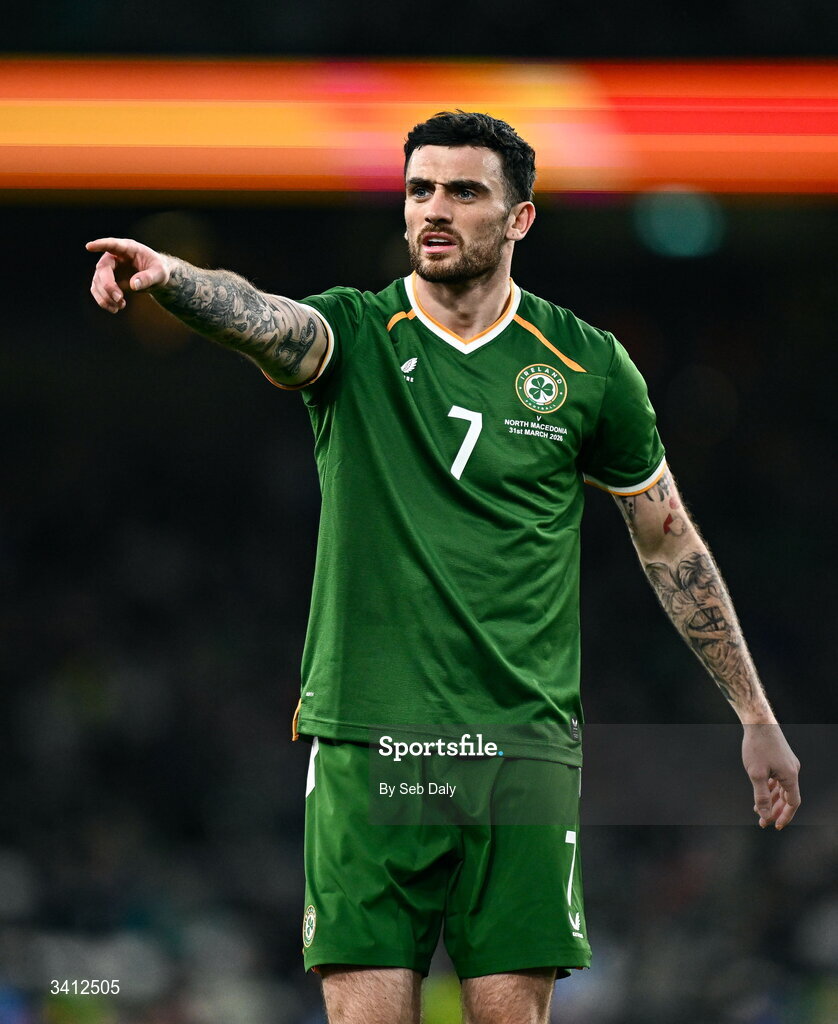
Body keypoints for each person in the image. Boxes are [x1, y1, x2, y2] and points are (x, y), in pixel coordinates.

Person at [87, 110, 801, 1024]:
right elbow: (266, 318)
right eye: (420, 188)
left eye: (464, 191)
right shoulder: (357, 333)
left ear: (519, 219)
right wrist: (176, 277)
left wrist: (754, 713)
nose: (434, 209)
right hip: (370, 743)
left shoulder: (587, 365)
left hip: (521, 750)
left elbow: (669, 543)